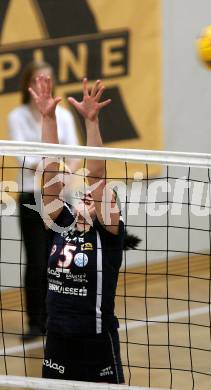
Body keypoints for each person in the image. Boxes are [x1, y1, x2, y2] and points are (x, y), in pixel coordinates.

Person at [29, 74, 130, 383]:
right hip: (57, 337)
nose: (89, 193)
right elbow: (50, 170)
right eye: (84, 192)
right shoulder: (59, 223)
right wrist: (48, 118)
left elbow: (98, 175)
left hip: (96, 340)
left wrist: (92, 122)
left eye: (99, 198)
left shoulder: (108, 235)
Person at [8, 61, 79, 340]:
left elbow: (73, 152)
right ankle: (35, 323)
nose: (43, 85)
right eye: (38, 80)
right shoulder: (18, 116)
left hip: (61, 195)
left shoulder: (63, 115)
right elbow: (25, 158)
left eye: (48, 80)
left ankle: (58, 318)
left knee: (61, 260)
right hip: (31, 197)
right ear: (28, 84)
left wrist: (65, 174)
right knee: (37, 261)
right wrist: (53, 169)